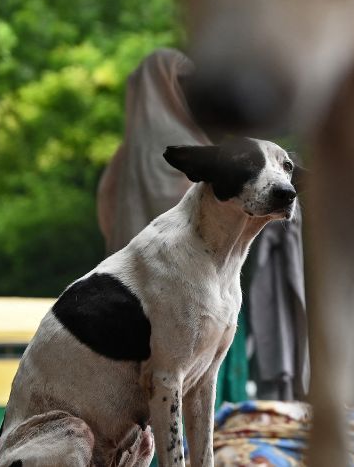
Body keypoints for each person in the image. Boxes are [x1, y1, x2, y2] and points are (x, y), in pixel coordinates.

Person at [96, 48, 309, 400]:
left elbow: (106, 207)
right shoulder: (190, 146)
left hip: (131, 284)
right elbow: (208, 206)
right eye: (183, 83)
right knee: (196, 378)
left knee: (140, 380)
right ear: (164, 84)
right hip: (192, 280)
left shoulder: (126, 153)